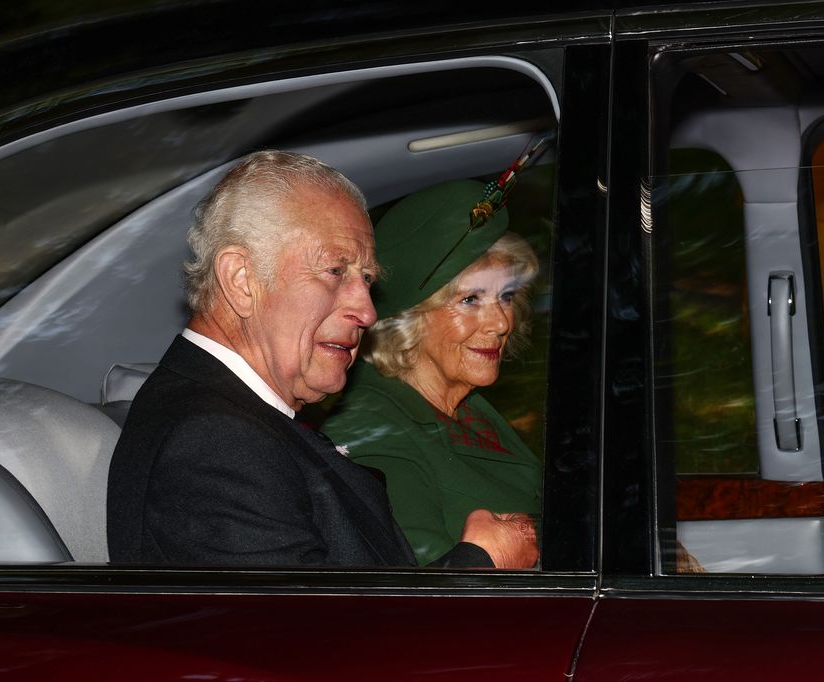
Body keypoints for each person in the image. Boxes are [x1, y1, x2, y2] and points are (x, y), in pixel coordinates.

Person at [107, 150, 538, 569]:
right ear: (241, 280)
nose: (368, 311)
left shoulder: (241, 422)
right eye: (335, 271)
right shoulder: (213, 442)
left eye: (367, 279)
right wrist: (481, 564)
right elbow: (310, 639)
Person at [322, 179, 543, 565]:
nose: (501, 322)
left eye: (506, 296)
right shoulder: (370, 428)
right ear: (410, 319)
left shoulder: (468, 409)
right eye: (470, 299)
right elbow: (422, 597)